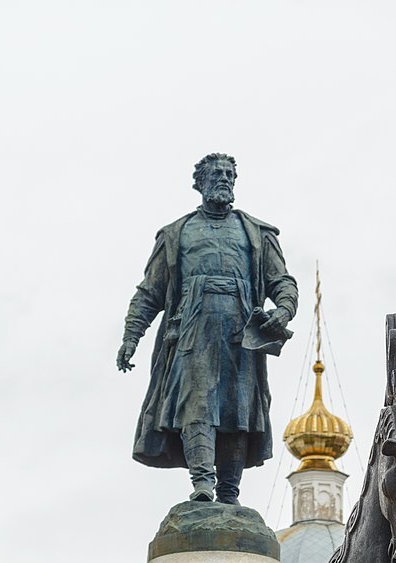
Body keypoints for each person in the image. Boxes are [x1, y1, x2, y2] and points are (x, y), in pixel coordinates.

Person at [117, 154, 298, 504]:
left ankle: (230, 493)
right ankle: (202, 482)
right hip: (192, 329)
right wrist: (130, 337)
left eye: (230, 174)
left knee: (238, 409)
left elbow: (283, 282)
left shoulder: (257, 233)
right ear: (199, 183)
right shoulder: (177, 233)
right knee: (196, 405)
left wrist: (285, 310)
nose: (225, 179)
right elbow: (149, 292)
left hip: (242, 329)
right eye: (217, 173)